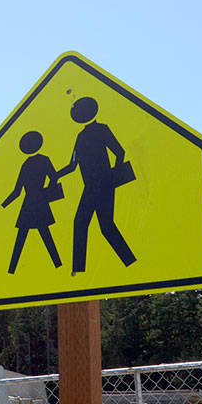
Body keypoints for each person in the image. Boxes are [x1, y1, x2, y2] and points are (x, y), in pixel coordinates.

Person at [55, 96, 136, 274]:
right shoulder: (81, 136)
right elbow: (73, 165)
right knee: (88, 224)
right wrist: (55, 175)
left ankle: (129, 262)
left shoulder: (102, 130)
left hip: (104, 184)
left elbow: (119, 152)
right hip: (90, 187)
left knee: (101, 226)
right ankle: (79, 269)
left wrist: (113, 176)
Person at [2, 130, 63, 273]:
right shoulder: (44, 160)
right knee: (44, 234)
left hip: (29, 203)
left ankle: (12, 269)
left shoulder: (26, 165)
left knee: (23, 237)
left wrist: (4, 205)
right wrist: (48, 191)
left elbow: (17, 191)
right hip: (40, 201)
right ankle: (58, 265)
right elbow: (54, 177)